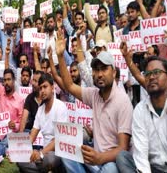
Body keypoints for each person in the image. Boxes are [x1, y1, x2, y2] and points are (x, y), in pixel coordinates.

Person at [56, 33, 133, 172]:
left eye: (104, 69)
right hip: (95, 158)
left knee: (110, 169)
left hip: (111, 161)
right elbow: (70, 86)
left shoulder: (123, 102)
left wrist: (100, 158)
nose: (99, 74)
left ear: (114, 72)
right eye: (96, 70)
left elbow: (123, 148)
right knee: (67, 149)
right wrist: (60, 56)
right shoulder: (94, 95)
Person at [116, 56, 167, 173]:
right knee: (122, 157)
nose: (151, 77)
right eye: (147, 74)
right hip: (151, 168)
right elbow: (141, 154)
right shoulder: (140, 110)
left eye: (156, 72)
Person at [17, 73, 67, 173]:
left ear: (52, 88)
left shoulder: (61, 107)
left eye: (45, 87)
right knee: (20, 160)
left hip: (57, 152)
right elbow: (32, 136)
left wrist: (40, 153)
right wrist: (17, 152)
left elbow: (58, 140)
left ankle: (46, 169)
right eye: (40, 88)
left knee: (50, 160)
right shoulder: (40, 110)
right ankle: (47, 170)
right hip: (43, 155)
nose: (42, 91)